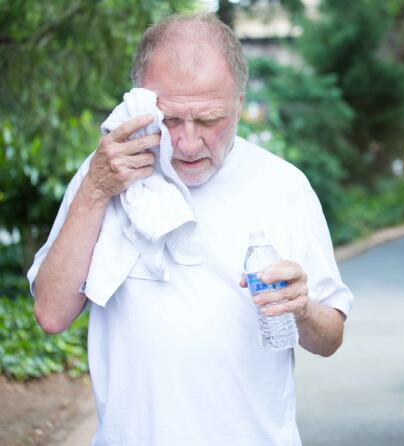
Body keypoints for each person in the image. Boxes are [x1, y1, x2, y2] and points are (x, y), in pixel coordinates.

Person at [27, 13, 353, 446]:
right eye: (171, 120)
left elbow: (330, 338)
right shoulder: (106, 173)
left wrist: (303, 308)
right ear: (140, 103)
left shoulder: (284, 186)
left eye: (208, 120)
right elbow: (51, 313)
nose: (187, 143)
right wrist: (96, 189)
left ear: (239, 102)